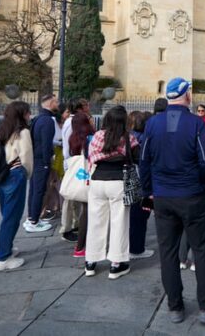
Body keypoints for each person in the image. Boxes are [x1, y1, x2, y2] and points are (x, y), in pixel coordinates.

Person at [140, 78, 205, 326]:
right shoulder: (196, 123)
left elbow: (144, 160)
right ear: (187, 95)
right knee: (202, 250)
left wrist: (148, 191)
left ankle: (175, 306)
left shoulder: (153, 123)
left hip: (163, 196)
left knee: (168, 253)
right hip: (191, 195)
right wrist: (200, 184)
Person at [84, 106, 139, 280]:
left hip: (98, 180)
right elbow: (136, 158)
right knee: (119, 222)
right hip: (118, 181)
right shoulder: (129, 138)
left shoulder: (98, 136)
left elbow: (89, 155)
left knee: (95, 221)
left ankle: (91, 261)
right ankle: (117, 263)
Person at [0, 101, 34, 271]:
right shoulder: (22, 132)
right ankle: (2, 258)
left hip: (1, 174)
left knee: (7, 214)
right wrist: (28, 174)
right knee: (12, 216)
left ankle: (7, 248)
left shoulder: (3, 129)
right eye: (27, 113)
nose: (29, 116)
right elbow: (26, 157)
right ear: (21, 115)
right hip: (16, 174)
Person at [25, 94, 58, 232]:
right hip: (41, 160)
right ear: (50, 103)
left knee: (33, 190)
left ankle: (31, 217)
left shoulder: (38, 118)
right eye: (56, 101)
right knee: (39, 190)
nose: (57, 103)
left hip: (35, 159)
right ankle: (34, 221)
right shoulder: (48, 120)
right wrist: (47, 162)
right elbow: (46, 144)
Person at [60, 99, 90, 241]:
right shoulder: (72, 123)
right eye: (86, 106)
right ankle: (66, 227)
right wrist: (69, 163)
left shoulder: (72, 122)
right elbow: (68, 146)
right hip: (73, 163)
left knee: (76, 195)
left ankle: (76, 223)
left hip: (73, 162)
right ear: (80, 108)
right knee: (70, 196)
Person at [68, 111, 95, 258]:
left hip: (78, 177)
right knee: (87, 212)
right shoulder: (90, 138)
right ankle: (80, 246)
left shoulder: (73, 138)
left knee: (84, 211)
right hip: (89, 177)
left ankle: (82, 244)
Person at [129, 111, 155, 260]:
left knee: (134, 215)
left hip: (132, 181)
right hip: (143, 183)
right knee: (141, 215)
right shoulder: (145, 139)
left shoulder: (130, 135)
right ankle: (137, 248)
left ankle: (134, 246)